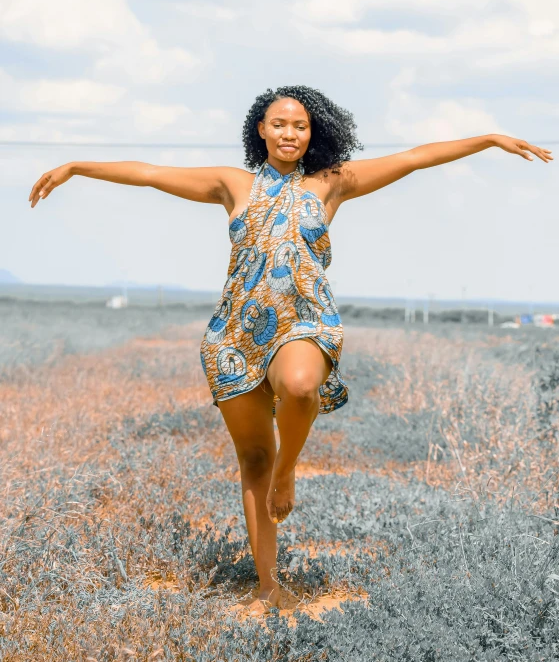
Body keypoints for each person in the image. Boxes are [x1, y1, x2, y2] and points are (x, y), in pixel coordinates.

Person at [28, 85, 553, 616]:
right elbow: (148, 173)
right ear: (261, 129)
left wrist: (488, 139)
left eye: (299, 126)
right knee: (253, 458)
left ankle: (289, 468)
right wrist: (76, 167)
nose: (289, 134)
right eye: (279, 124)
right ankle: (267, 586)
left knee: (301, 386)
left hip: (304, 320)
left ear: (311, 134)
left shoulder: (331, 184)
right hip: (233, 333)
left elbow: (415, 159)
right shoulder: (231, 184)